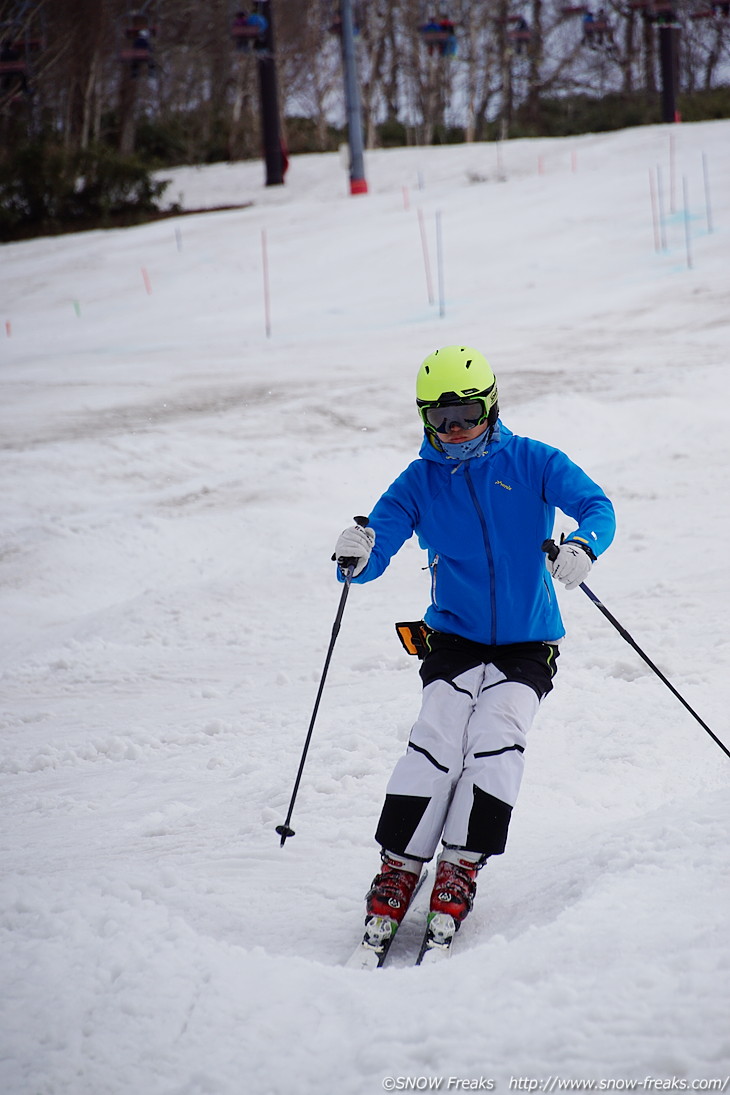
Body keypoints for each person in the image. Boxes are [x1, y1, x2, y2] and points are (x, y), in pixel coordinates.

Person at [333, 345, 615, 956]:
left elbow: (598, 506)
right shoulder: (419, 482)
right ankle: (400, 866)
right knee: (437, 733)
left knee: (496, 738)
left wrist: (584, 545)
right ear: (424, 419)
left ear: (490, 405)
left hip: (527, 640)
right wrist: (355, 555)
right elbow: (376, 548)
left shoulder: (534, 460)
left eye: (465, 414)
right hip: (454, 636)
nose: (454, 429)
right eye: (440, 418)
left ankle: (461, 863)